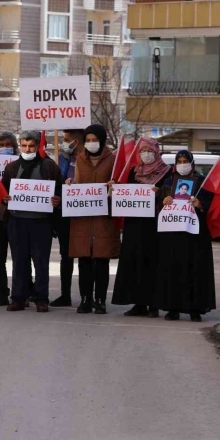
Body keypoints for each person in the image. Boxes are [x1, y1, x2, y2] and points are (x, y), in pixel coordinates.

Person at [1, 130, 62, 313]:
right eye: (24, 145)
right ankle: (18, 298)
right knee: (19, 262)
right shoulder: (11, 168)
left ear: (38, 146)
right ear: (20, 145)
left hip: (41, 223)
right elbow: (2, 193)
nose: (28, 149)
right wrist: (4, 199)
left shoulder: (50, 167)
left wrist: (57, 200)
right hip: (17, 221)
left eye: (31, 146)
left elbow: (60, 192)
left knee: (41, 262)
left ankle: (41, 298)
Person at [154, 150, 216, 322]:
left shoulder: (203, 183)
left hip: (195, 236)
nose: (182, 164)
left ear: (192, 162)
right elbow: (159, 206)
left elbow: (213, 205)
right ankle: (173, 308)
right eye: (179, 161)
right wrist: (164, 201)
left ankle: (195, 309)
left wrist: (200, 204)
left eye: (185, 161)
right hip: (173, 234)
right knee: (172, 269)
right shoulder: (168, 181)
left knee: (194, 270)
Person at [111, 138, 171, 317]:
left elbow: (170, 194)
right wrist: (115, 189)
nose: (147, 154)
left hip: (154, 225)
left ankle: (153, 304)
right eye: (143, 150)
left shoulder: (166, 172)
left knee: (152, 262)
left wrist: (161, 193)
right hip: (134, 225)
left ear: (157, 151)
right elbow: (125, 193)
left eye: (150, 150)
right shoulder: (133, 171)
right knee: (134, 261)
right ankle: (138, 303)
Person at [67, 124, 120, 315]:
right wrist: (71, 184)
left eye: (94, 140)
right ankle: (85, 299)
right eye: (88, 140)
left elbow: (121, 185)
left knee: (102, 261)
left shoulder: (113, 160)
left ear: (102, 140)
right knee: (84, 261)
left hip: (103, 219)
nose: (91, 143)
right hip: (83, 219)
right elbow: (77, 182)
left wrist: (115, 186)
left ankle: (100, 300)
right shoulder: (79, 160)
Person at [50, 129, 83, 307]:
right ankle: (65, 294)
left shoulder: (88, 160)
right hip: (64, 214)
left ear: (76, 142)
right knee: (66, 256)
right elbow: (57, 182)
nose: (63, 143)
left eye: (66, 139)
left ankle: (88, 296)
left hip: (84, 214)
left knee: (86, 256)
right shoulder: (63, 159)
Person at [0, 132, 17, 306]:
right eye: (2, 145)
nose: (5, 148)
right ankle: (1, 293)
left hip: (16, 218)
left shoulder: (21, 165)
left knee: (20, 258)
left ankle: (23, 291)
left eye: (8, 145)